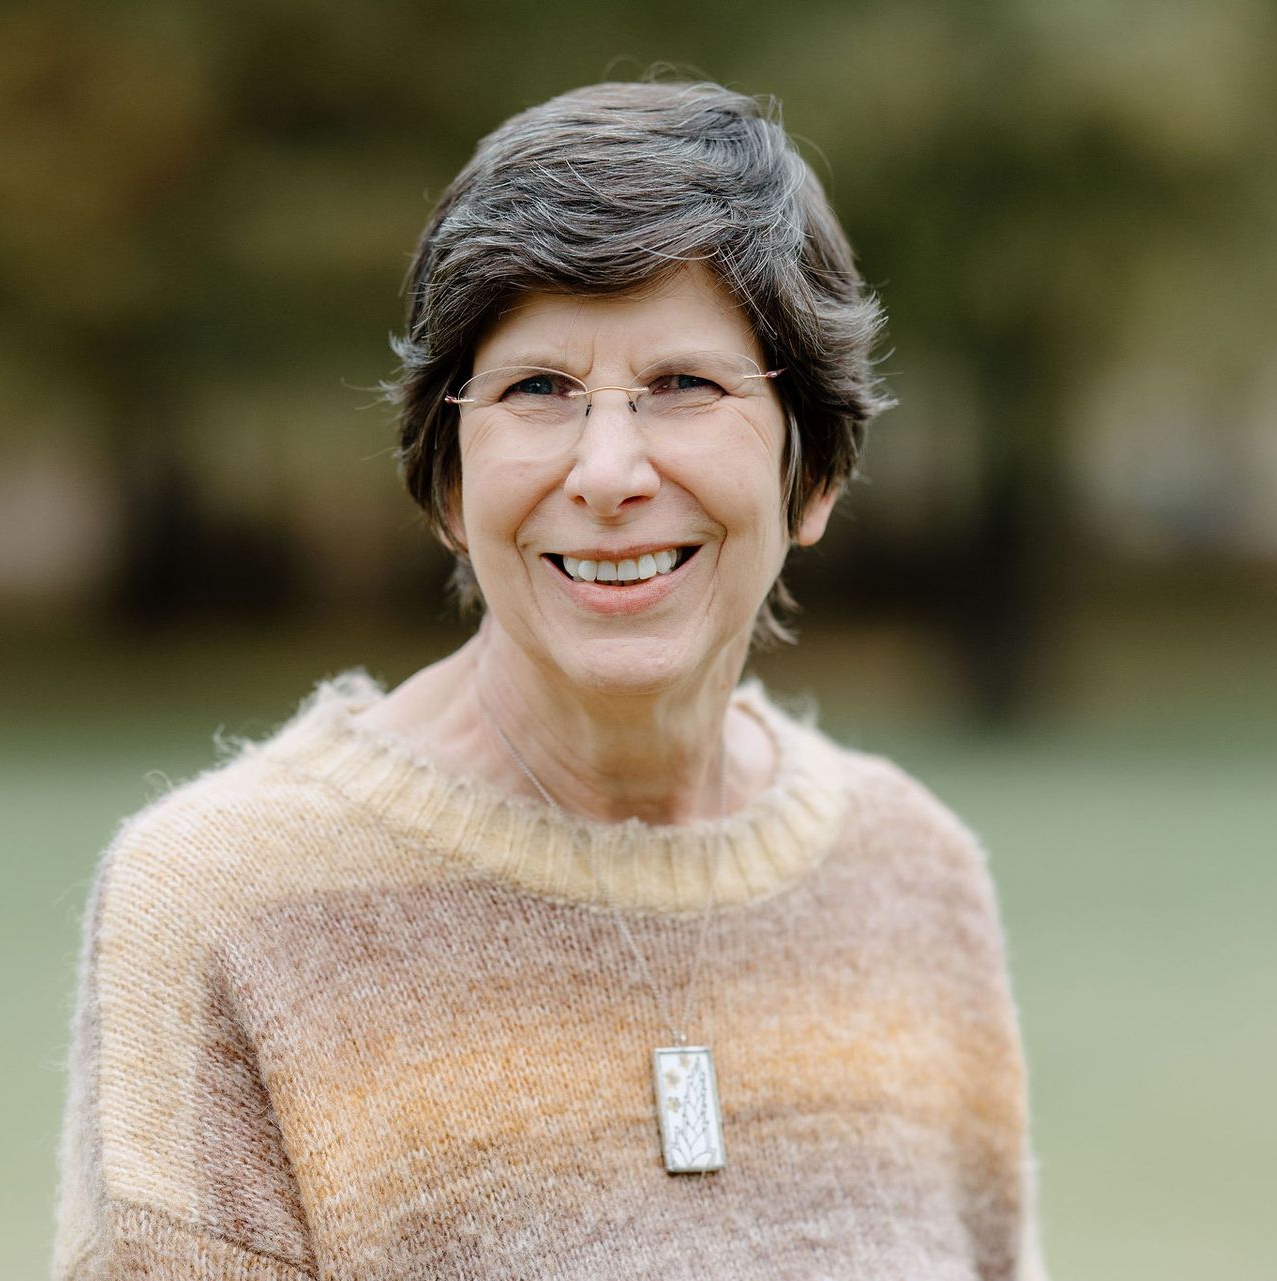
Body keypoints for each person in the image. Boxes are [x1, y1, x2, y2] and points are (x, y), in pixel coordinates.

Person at [52, 81, 1049, 1280]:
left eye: (684, 383)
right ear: (451, 486)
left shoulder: (913, 883)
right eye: (539, 390)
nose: (611, 469)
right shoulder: (227, 905)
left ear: (815, 471)